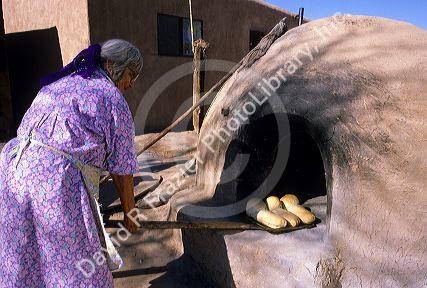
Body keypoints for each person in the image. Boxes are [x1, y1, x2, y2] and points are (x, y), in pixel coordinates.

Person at [0, 39, 142, 287]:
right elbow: (122, 171)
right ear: (111, 64)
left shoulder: (60, 83)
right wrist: (130, 213)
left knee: (25, 254)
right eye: (131, 74)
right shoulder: (111, 99)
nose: (131, 84)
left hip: (14, 172)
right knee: (76, 265)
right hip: (53, 182)